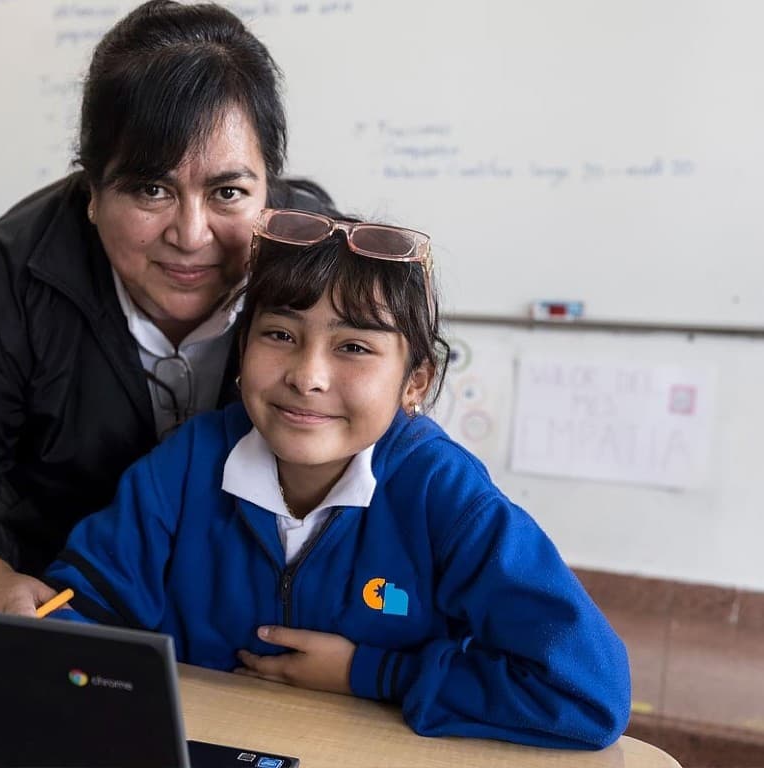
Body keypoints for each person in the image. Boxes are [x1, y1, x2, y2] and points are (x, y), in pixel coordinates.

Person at [43, 208, 632, 749]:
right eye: (280, 335)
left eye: (353, 346)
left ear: (415, 384)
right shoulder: (188, 464)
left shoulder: (443, 496)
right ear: (242, 347)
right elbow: (76, 626)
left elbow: (586, 693)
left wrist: (372, 673)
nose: (309, 376)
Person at [0, 1, 336, 610]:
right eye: (151, 189)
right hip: (64, 608)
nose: (192, 235)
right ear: (91, 191)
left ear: (268, 188)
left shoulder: (329, 270)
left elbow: (390, 464)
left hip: (262, 626)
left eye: (228, 192)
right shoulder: (11, 273)